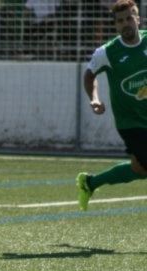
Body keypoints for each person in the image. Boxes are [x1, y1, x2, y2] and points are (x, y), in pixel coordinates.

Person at [77, 0, 147, 210]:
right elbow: (89, 76)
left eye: (129, 18)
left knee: (140, 169)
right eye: (120, 21)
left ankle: (89, 183)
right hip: (130, 122)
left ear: (138, 19)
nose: (125, 23)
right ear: (115, 25)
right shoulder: (107, 52)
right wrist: (95, 98)